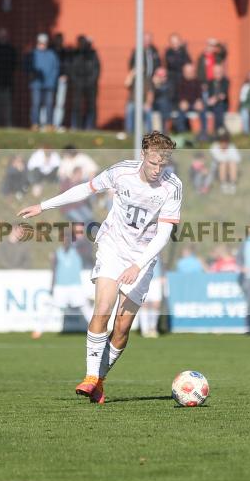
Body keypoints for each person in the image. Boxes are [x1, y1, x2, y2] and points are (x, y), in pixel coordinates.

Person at [17, 132, 181, 404]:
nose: (157, 170)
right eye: (153, 163)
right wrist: (43, 206)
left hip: (143, 257)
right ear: (143, 155)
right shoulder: (121, 172)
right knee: (102, 308)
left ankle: (100, 380)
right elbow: (85, 188)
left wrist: (138, 265)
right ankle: (91, 377)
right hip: (112, 247)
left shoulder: (172, 187)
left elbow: (163, 235)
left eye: (163, 165)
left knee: (122, 328)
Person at [34, 233, 93, 338]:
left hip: (75, 286)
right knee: (50, 307)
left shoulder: (78, 252)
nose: (66, 241)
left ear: (71, 241)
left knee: (85, 307)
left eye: (68, 239)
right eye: (64, 239)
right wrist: (52, 287)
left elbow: (88, 249)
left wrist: (82, 237)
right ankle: (38, 330)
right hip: (60, 286)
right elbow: (54, 270)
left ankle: (96, 329)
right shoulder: (57, 253)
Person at [25, 33, 59, 132]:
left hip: (49, 84)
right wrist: (32, 75)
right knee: (36, 104)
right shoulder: (32, 54)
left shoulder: (51, 54)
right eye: (40, 42)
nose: (42, 44)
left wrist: (52, 80)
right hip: (36, 84)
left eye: (44, 43)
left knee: (49, 104)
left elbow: (55, 68)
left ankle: (49, 124)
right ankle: (35, 124)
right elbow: (27, 67)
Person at [69, 35, 100, 130]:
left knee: (91, 106)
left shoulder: (93, 54)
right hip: (78, 84)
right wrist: (76, 81)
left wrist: (90, 81)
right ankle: (76, 126)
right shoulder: (75, 54)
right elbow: (71, 69)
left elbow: (96, 69)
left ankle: (90, 126)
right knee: (76, 105)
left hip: (91, 85)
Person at [202, 64, 230, 139]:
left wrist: (215, 99)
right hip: (210, 104)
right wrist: (208, 100)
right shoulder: (210, 82)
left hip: (222, 104)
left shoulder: (225, 81)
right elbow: (207, 93)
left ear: (222, 72)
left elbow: (223, 95)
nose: (217, 74)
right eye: (216, 73)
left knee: (218, 108)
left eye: (219, 72)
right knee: (203, 109)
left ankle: (216, 131)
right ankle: (204, 131)